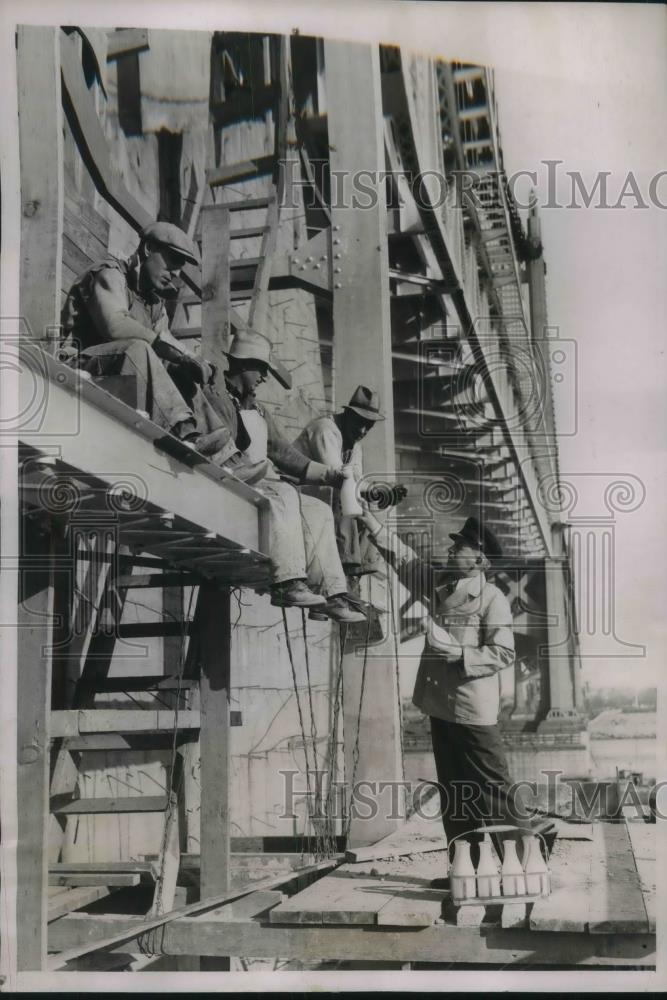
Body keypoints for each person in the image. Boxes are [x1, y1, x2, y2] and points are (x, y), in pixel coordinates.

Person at [363, 511, 539, 870]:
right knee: (455, 793)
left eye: (460, 545)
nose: (452, 547)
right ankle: (468, 869)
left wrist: (459, 653)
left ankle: (523, 867)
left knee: (495, 789)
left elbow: (503, 652)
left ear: (480, 558)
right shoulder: (441, 584)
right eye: (455, 543)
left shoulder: (492, 599)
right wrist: (373, 525)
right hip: (440, 706)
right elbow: (405, 560)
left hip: (472, 709)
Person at [204, 330, 367, 624]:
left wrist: (330, 475)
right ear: (243, 365)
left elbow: (288, 458)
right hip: (227, 479)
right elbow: (217, 445)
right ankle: (287, 582)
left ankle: (329, 594)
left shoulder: (259, 411)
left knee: (318, 511)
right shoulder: (216, 399)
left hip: (259, 483)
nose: (264, 378)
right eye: (262, 370)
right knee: (286, 494)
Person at [61, 221, 235, 461]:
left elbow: (165, 349)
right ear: (147, 249)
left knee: (179, 368)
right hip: (75, 368)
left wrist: (187, 361)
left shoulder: (153, 303)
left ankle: (224, 454)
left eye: (180, 266)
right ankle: (181, 430)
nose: (175, 273)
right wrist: (178, 353)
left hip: (117, 377)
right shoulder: (108, 273)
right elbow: (116, 326)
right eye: (172, 260)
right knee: (139, 347)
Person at [293, 386, 406, 576]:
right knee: (345, 494)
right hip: (295, 490)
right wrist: (376, 490)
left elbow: (358, 480)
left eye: (368, 426)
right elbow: (338, 477)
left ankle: (357, 571)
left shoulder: (355, 443)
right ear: (347, 414)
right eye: (359, 423)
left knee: (363, 504)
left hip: (321, 499)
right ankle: (346, 567)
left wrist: (380, 493)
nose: (362, 430)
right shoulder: (326, 429)